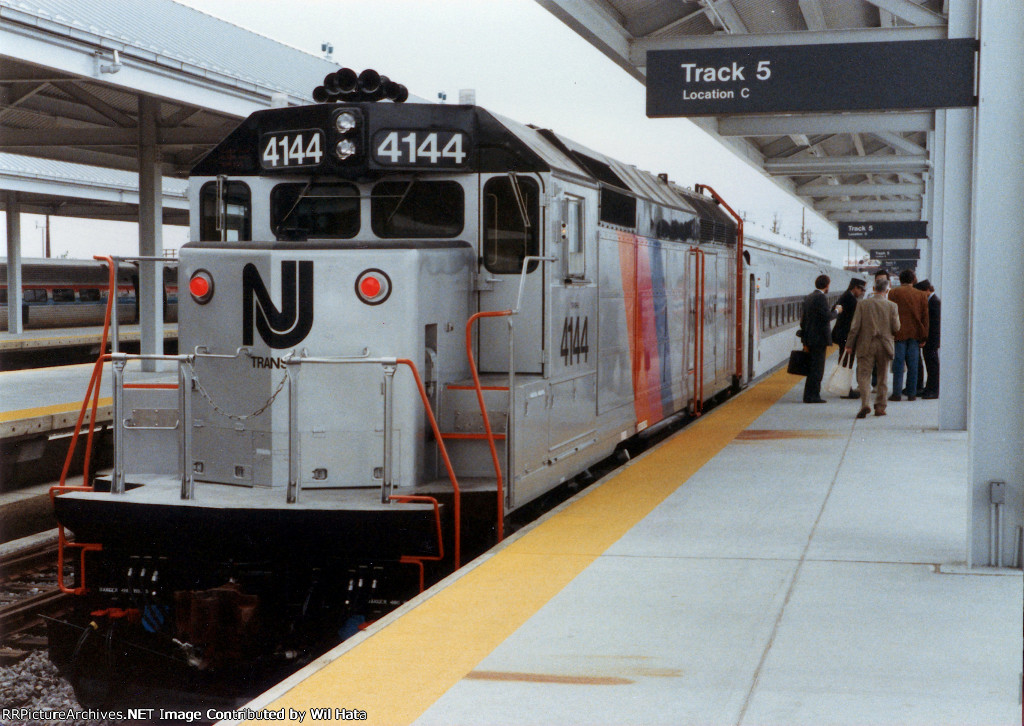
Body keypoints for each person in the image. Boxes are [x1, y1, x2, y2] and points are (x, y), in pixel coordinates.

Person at [845, 276, 901, 417]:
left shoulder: (862, 305)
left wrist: (849, 345)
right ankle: (880, 407)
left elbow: (855, 327)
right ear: (887, 290)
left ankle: (865, 404)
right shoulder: (892, 306)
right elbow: (896, 327)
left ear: (874, 289)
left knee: (863, 376)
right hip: (884, 345)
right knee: (882, 377)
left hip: (866, 344)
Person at [888, 269, 929, 402]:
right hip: (915, 334)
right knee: (913, 365)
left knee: (898, 364)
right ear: (913, 280)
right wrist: (924, 336)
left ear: (900, 280)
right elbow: (925, 317)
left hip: (898, 333)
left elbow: (891, 314)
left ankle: (897, 393)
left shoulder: (893, 293)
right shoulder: (921, 295)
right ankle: (912, 393)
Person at [798, 274, 839, 403]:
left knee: (812, 368)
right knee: (817, 369)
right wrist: (837, 311)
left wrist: (804, 338)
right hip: (819, 339)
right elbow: (826, 317)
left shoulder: (809, 297)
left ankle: (808, 395)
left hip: (810, 337)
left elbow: (804, 320)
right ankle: (813, 396)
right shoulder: (820, 298)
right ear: (827, 285)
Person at [831, 278, 867, 398]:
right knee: (847, 361)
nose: (862, 292)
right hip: (846, 335)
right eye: (861, 289)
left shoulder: (846, 296)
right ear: (855, 287)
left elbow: (834, 309)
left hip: (842, 333)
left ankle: (844, 388)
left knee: (845, 360)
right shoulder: (850, 298)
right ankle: (845, 389)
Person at [914, 279, 941, 398]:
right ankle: (929, 387)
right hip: (930, 340)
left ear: (927, 290)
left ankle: (934, 389)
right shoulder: (932, 301)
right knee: (930, 364)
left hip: (932, 340)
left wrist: (926, 338)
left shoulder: (934, 302)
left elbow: (933, 324)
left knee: (932, 365)